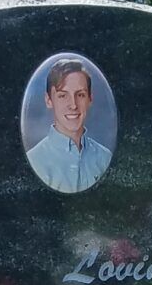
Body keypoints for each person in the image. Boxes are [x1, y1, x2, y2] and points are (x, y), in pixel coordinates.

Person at [26, 58, 112, 192]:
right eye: (63, 96)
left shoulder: (105, 158)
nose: (73, 105)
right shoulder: (34, 161)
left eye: (80, 95)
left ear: (90, 99)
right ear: (48, 100)